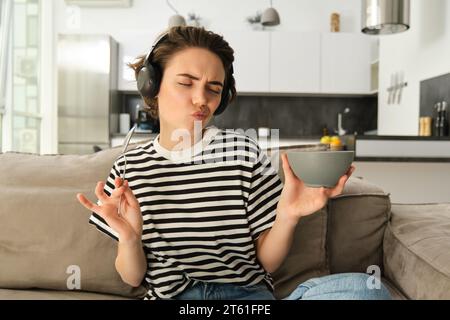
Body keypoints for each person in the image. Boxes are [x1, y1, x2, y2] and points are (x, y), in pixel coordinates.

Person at [76, 26, 391, 300]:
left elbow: (266, 263)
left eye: (214, 89)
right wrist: (130, 238)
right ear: (152, 85)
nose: (202, 100)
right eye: (186, 83)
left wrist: (287, 215)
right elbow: (132, 277)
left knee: (366, 289)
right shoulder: (129, 167)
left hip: (247, 298)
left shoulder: (244, 154)